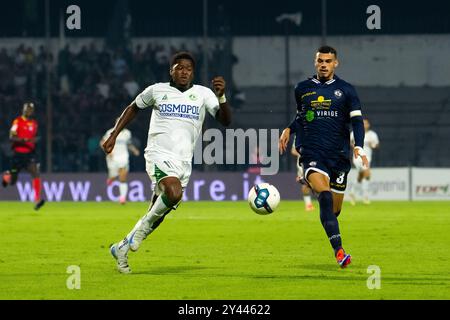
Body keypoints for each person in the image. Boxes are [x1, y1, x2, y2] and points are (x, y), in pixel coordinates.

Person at [102, 51, 232, 273]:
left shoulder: (203, 94)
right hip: (158, 155)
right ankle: (138, 236)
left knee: (158, 212)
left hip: (184, 162)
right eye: (179, 67)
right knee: (173, 192)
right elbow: (133, 107)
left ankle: (122, 247)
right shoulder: (157, 90)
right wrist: (114, 134)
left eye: (188, 69)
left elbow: (226, 121)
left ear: (193, 73)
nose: (184, 72)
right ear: (171, 70)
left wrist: (221, 97)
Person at [279, 46, 368, 268]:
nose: (324, 64)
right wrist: (289, 129)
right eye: (320, 61)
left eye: (328, 61)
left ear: (335, 63)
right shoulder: (302, 88)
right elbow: (302, 116)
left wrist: (359, 146)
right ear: (315, 62)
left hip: (338, 157)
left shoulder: (346, 90)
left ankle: (326, 214)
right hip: (312, 153)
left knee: (333, 210)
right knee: (325, 197)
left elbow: (357, 121)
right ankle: (340, 252)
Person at [2, 102, 45, 210]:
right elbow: (11, 136)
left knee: (35, 173)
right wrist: (23, 140)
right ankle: (7, 176)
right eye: (26, 109)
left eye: (30, 109)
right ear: (23, 110)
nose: (28, 111)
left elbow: (33, 138)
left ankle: (37, 200)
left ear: (32, 111)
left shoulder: (34, 124)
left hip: (29, 154)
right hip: (18, 154)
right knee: (13, 181)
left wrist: (34, 141)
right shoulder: (17, 121)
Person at [100, 122, 140, 204]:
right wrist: (108, 152)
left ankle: (122, 198)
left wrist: (134, 150)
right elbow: (102, 142)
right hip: (113, 157)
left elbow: (128, 144)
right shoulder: (110, 132)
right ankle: (111, 179)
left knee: (122, 176)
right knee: (114, 176)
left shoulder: (127, 133)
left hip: (123, 156)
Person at [348, 118, 379, 205]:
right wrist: (354, 146)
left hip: (368, 157)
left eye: (366, 123)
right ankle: (365, 196)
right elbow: (350, 143)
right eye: (363, 123)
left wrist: (372, 145)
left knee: (361, 176)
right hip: (358, 158)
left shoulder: (372, 135)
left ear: (368, 125)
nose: (365, 125)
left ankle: (352, 192)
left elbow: (376, 145)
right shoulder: (354, 133)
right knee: (367, 174)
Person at [290, 136, 315, 211]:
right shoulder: (298, 136)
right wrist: (302, 153)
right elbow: (293, 151)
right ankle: (308, 205)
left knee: (314, 182)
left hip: (315, 160)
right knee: (305, 184)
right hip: (302, 163)